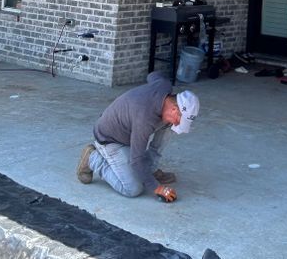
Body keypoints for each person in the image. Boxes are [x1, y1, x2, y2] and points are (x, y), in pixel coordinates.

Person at [76, 71, 199, 201]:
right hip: (109, 138)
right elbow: (136, 159)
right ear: (174, 108)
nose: (178, 123)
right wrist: (156, 187)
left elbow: (153, 75)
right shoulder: (144, 120)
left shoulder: (163, 86)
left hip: (129, 130)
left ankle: (150, 168)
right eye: (180, 119)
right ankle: (93, 158)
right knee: (133, 188)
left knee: (170, 125)